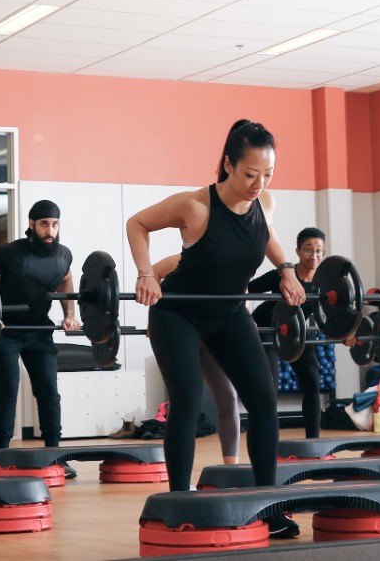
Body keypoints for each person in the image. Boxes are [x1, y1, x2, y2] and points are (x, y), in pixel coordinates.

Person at [127, 119, 304, 539]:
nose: (258, 183)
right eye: (250, 174)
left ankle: (268, 504)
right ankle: (178, 502)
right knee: (187, 399)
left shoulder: (265, 204)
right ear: (228, 164)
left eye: (267, 175)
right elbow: (137, 224)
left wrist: (287, 270)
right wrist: (146, 273)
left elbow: (268, 238)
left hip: (228, 312)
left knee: (263, 399)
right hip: (178, 311)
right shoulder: (195, 207)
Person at [0, 199, 76, 450]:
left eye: (54, 224)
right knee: (8, 391)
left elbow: (66, 280)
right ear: (31, 224)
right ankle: (2, 452)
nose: (50, 231)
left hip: (40, 330)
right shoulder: (9, 252)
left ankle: (54, 454)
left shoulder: (64, 255)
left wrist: (70, 313)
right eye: (44, 224)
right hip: (5, 331)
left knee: (48, 392)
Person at [151, 253, 242, 466]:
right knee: (186, 401)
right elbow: (152, 274)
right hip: (181, 334)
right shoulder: (180, 260)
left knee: (228, 397)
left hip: (212, 336)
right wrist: (155, 319)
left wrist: (244, 322)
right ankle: (181, 480)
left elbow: (240, 294)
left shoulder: (234, 263)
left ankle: (231, 469)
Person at [250, 227, 328, 441]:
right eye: (308, 250)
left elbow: (337, 314)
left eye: (319, 251)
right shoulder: (284, 275)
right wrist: (247, 319)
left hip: (297, 331)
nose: (314, 256)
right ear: (297, 251)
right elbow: (245, 289)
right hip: (267, 329)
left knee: (312, 383)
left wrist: (351, 333)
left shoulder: (324, 282)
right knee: (270, 388)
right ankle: (270, 442)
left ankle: (313, 443)